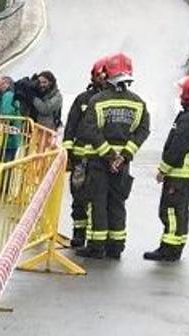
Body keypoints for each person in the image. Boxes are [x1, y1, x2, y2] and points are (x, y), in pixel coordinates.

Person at [75, 53, 150, 260]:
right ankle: (116, 246)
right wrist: (124, 156)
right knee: (117, 203)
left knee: (98, 202)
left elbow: (90, 129)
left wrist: (109, 155)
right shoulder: (138, 103)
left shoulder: (97, 101)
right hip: (123, 164)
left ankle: (96, 246)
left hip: (99, 161)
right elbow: (143, 131)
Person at [144, 74, 189, 262]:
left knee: (170, 212)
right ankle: (173, 246)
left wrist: (163, 170)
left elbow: (177, 147)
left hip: (178, 175)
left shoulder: (188, 119)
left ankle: (170, 250)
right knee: (180, 212)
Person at [63, 57, 111, 247]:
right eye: (100, 75)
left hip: (100, 157)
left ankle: (96, 237)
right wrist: (68, 151)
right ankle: (79, 233)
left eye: (106, 75)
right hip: (80, 159)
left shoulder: (110, 101)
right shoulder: (82, 99)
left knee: (98, 199)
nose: (103, 78)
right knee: (79, 196)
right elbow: (71, 125)